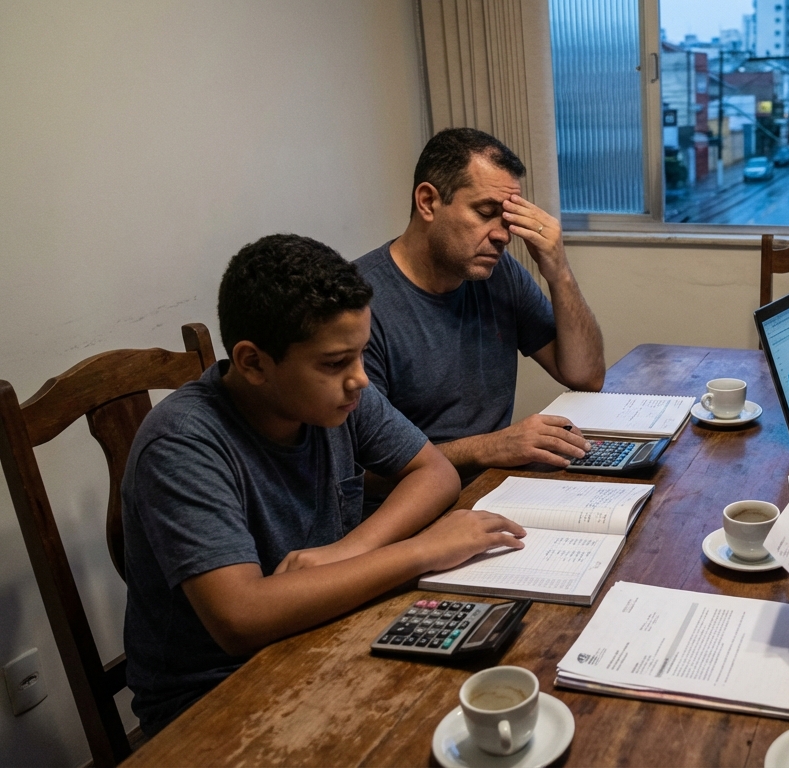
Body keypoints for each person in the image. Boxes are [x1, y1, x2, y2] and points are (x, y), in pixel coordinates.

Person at [121, 235, 527, 735]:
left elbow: (435, 472)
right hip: (217, 696)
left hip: (328, 630)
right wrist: (422, 551)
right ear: (252, 363)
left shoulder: (334, 395)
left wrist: (348, 550)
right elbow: (241, 618)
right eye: (336, 362)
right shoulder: (183, 443)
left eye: (360, 354)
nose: (359, 378)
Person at [356, 128, 605, 482]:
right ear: (428, 202)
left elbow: (585, 376)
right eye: (486, 212)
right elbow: (358, 472)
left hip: (494, 486)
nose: (503, 235)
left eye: (507, 220)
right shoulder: (359, 304)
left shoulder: (499, 274)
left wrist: (559, 271)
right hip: (412, 506)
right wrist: (490, 448)